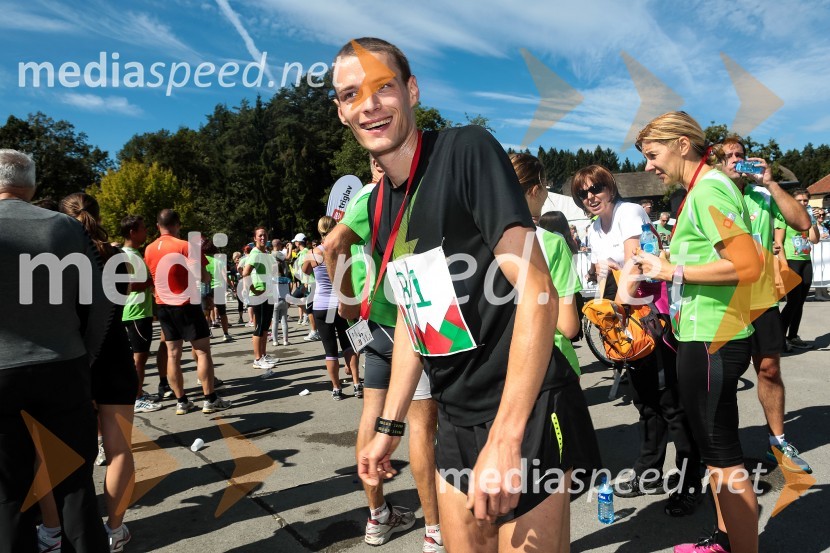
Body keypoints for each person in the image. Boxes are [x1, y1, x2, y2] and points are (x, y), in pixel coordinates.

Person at [331, 37, 600, 553]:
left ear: (411, 90)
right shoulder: (384, 200)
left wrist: (507, 435)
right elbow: (417, 320)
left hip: (527, 408)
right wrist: (389, 425)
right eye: (350, 95)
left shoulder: (465, 151)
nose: (368, 104)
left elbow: (539, 290)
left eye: (382, 87)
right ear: (342, 113)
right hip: (456, 414)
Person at [633, 111, 763, 553]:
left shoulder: (709, 187)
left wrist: (672, 268)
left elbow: (748, 265)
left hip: (713, 339)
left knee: (724, 458)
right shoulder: (701, 190)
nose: (650, 166)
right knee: (714, 454)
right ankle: (725, 541)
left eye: (654, 154)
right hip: (702, 333)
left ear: (682, 145)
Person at [325, 157, 441, 549]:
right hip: (407, 323)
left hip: (371, 324)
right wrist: (343, 301)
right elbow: (332, 244)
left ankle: (377, 518)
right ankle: (435, 531)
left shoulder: (364, 198)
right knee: (422, 426)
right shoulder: (379, 196)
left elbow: (336, 247)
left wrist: (347, 305)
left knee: (372, 417)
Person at [574, 165, 700, 517]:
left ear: (610, 187)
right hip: (627, 322)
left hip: (650, 319)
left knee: (671, 405)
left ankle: (691, 483)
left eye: (596, 188)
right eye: (583, 192)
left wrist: (612, 309)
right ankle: (650, 471)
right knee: (646, 403)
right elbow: (605, 273)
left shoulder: (628, 212)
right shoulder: (594, 227)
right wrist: (603, 314)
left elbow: (634, 263)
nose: (590, 196)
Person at [1, 149, 110, 552]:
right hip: (62, 365)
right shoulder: (63, 227)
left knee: (9, 493)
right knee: (74, 485)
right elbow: (99, 301)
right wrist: (86, 353)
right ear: (31, 185)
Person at [720, 136, 813, 474]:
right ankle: (725, 450)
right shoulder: (708, 195)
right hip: (722, 302)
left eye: (740, 155)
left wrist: (771, 182)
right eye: (727, 156)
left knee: (769, 370)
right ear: (717, 163)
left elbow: (803, 223)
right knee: (724, 378)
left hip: (760, 299)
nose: (734, 160)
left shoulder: (762, 195)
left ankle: (778, 439)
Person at [59, 193, 140, 551]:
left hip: (73, 360)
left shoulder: (58, 258)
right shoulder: (118, 257)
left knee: (69, 452)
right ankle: (115, 529)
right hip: (115, 355)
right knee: (119, 449)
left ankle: (61, 529)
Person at [143, 209, 231, 415]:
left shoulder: (148, 249)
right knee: (202, 351)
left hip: (163, 305)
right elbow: (202, 275)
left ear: (158, 226)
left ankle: (181, 401)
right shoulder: (185, 246)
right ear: (178, 224)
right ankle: (210, 398)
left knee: (173, 355)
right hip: (185, 303)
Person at [510, 153, 582, 377]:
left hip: (496, 369)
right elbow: (568, 326)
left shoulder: (477, 241)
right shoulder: (551, 242)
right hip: (550, 362)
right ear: (535, 190)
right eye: (545, 188)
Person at [302, 216, 362, 398]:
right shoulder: (341, 250)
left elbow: (304, 271)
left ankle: (336, 388)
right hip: (340, 303)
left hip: (321, 305)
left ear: (319, 231)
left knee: (330, 350)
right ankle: (357, 384)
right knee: (348, 345)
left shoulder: (314, 253)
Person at [119, 215, 164, 413]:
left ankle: (137, 392)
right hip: (135, 312)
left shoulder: (132, 253)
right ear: (132, 232)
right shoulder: (128, 255)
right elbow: (126, 285)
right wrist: (151, 280)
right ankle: (136, 399)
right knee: (139, 358)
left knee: (138, 357)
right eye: (143, 228)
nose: (146, 232)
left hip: (139, 311)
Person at [775, 189, 821, 350]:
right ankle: (778, 338)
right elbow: (778, 242)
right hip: (791, 261)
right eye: (799, 200)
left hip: (805, 261)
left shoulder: (807, 218)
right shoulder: (784, 215)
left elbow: (815, 240)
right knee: (793, 301)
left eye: (805, 200)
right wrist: (784, 265)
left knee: (800, 302)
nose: (803, 203)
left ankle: (793, 336)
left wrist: (814, 222)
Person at [240, 226, 280, 370]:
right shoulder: (255, 253)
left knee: (265, 328)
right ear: (255, 238)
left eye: (265, 235)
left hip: (268, 294)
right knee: (258, 327)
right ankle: (257, 359)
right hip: (258, 296)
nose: (263, 238)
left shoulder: (266, 254)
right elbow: (245, 273)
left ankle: (263, 355)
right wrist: (253, 290)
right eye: (260, 236)